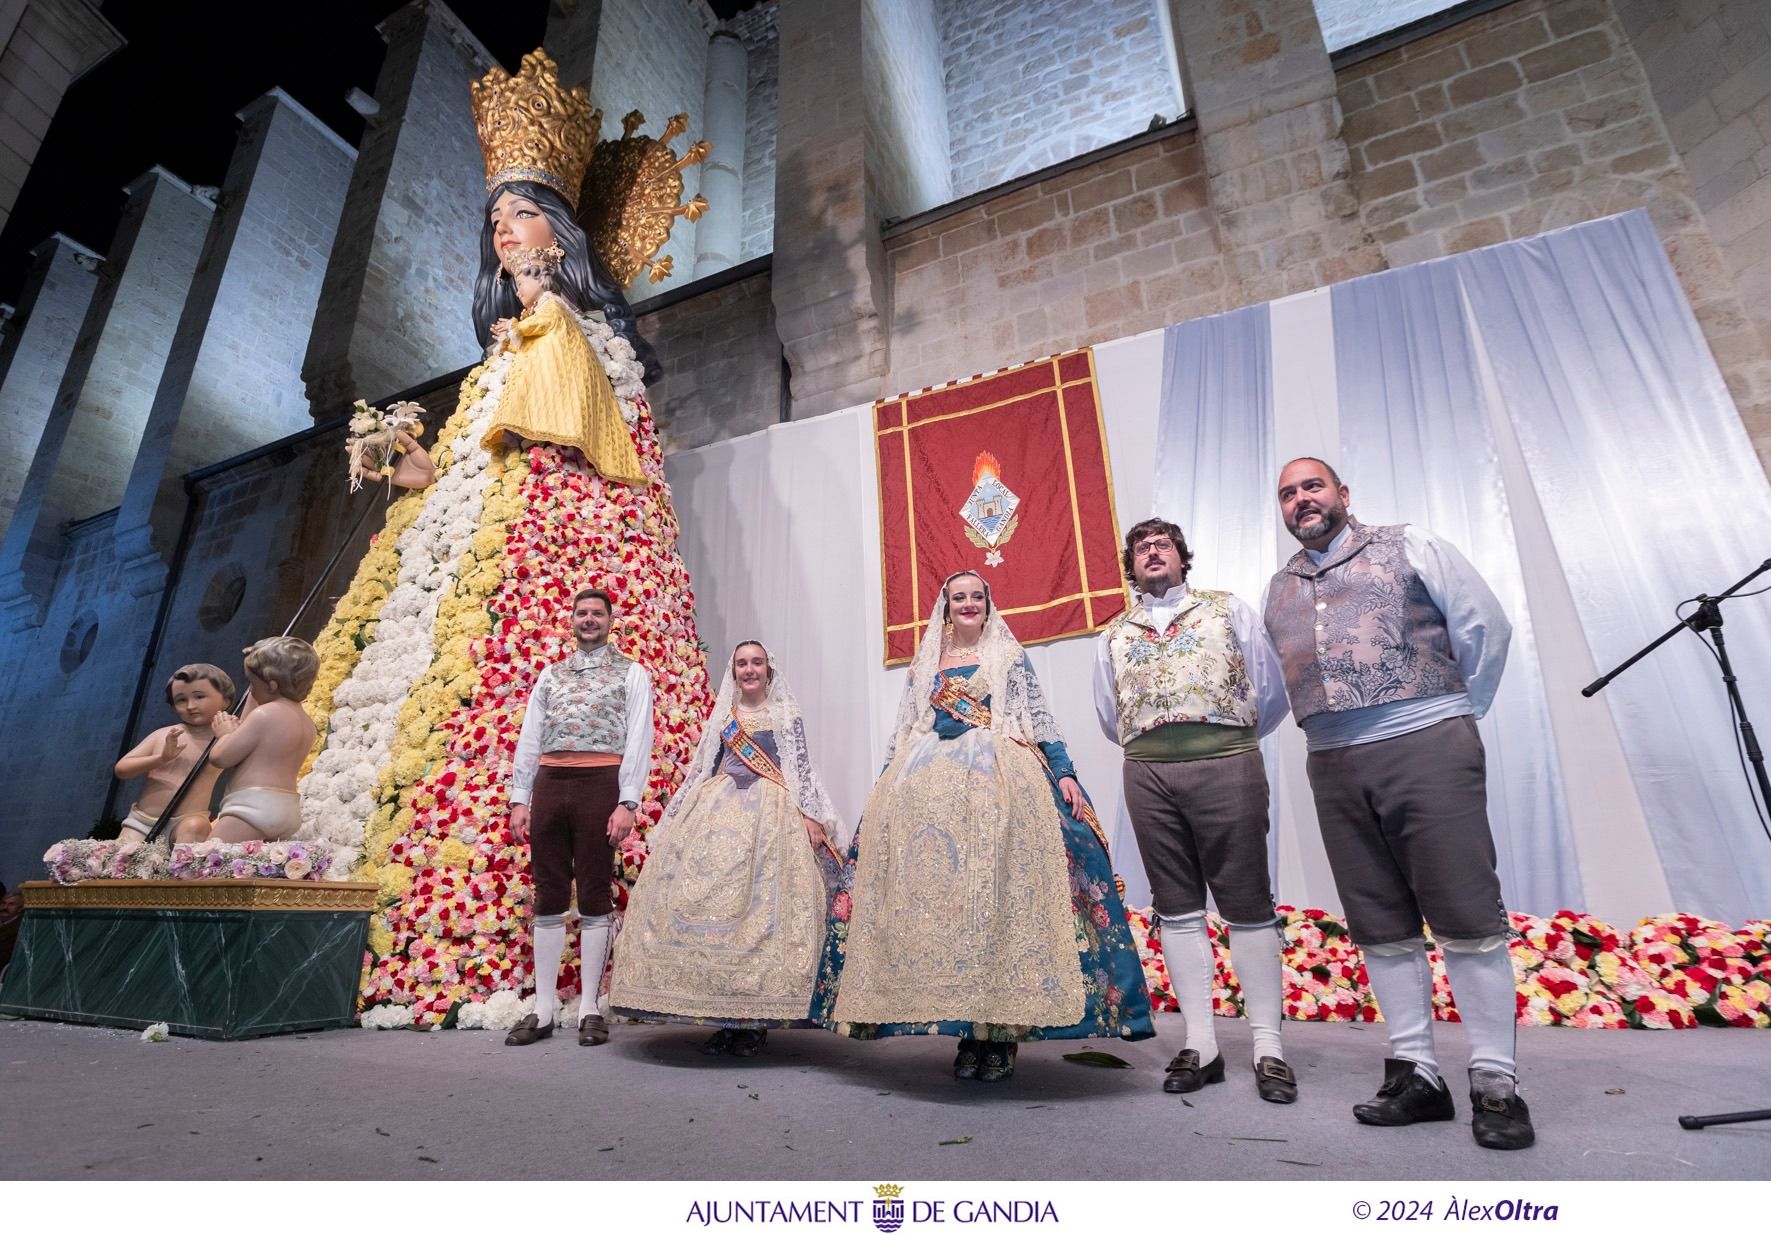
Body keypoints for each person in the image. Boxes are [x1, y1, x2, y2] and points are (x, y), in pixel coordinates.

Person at [1262, 457, 1531, 1151]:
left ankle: (1495, 1081)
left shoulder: (1412, 544)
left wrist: (1450, 714)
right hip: (1331, 761)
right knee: (1378, 921)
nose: (1301, 499)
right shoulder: (1277, 586)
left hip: (1425, 745)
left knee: (1464, 909)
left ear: (1343, 494)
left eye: (1312, 485)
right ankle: (1416, 1074)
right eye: (1288, 493)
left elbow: (1483, 629)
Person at [820, 571, 1155, 1081]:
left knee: (997, 905)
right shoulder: (926, 661)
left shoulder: (1008, 655)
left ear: (987, 603)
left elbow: (1040, 721)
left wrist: (1064, 773)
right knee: (949, 912)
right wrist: (886, 785)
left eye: (977, 596)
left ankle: (1000, 1035)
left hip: (999, 782)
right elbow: (907, 728)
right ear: (946, 606)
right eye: (960, 597)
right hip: (930, 787)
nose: (969, 604)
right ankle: (965, 1028)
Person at [1094, 518, 1295, 1103]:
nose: (1152, 553)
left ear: (1184, 558)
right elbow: (1111, 717)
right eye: (1141, 549)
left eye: (1163, 546)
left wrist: (1223, 742)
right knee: (1176, 906)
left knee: (1247, 903)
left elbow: (1270, 689)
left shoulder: (1227, 610)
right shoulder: (1112, 634)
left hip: (1227, 761)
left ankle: (1268, 1047)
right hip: (1148, 775)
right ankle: (1202, 1045)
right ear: (1130, 567)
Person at [610, 641, 846, 1056]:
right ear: (733, 671)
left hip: (771, 816)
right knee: (710, 905)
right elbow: (705, 767)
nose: (749, 670)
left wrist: (811, 815)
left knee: (760, 914)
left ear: (768, 671)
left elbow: (801, 770)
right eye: (742, 663)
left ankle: (753, 1021)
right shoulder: (725, 716)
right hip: (717, 812)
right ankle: (722, 1016)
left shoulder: (786, 715)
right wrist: (678, 818)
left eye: (757, 663)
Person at [505, 587, 654, 1047]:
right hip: (550, 783)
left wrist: (627, 801)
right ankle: (544, 1009)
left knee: (593, 892)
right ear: (571, 620)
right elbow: (530, 738)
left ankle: (590, 1007)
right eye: (581, 613)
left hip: (599, 784)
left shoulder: (632, 674)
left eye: (597, 614)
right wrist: (519, 798)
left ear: (612, 621)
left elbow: (639, 738)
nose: (588, 620)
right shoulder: (551, 675)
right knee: (548, 891)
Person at [209, 638, 319, 842]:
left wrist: (224, 733)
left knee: (206, 863)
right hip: (286, 808)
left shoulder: (265, 714)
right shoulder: (307, 724)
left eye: (252, 683)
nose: (250, 690)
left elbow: (221, 758)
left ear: (272, 685)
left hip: (252, 806)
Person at [114, 664, 239, 842]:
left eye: (199, 697)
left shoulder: (227, 737)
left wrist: (227, 735)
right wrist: (161, 758)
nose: (190, 706)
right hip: (142, 823)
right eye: (181, 700)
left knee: (194, 830)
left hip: (187, 823)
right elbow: (122, 769)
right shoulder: (165, 734)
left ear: (226, 700)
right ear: (173, 706)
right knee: (124, 858)